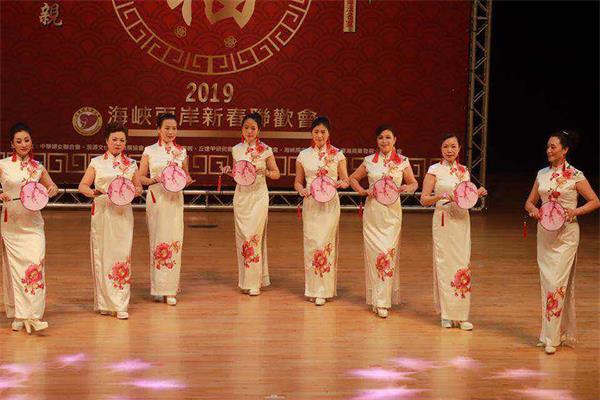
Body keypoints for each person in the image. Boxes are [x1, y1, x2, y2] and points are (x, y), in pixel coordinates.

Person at [524, 130, 599, 354]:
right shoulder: (542, 174)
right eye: (547, 146)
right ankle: (548, 334)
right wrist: (534, 210)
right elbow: (529, 202)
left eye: (553, 147)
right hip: (545, 234)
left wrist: (575, 211)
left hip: (566, 235)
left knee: (557, 283)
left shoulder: (575, 175)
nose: (549, 150)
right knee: (547, 283)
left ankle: (552, 338)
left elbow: (594, 201)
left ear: (565, 150)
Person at [349, 124, 418, 318]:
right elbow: (353, 179)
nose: (384, 141)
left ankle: (382, 300)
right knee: (375, 256)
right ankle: (379, 300)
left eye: (388, 137)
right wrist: (363, 191)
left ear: (395, 139)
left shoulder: (403, 161)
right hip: (373, 214)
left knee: (388, 254)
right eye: (380, 137)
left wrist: (408, 188)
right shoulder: (370, 161)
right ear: (376, 141)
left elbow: (414, 183)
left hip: (392, 215)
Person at [420, 133, 487, 331]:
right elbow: (424, 199)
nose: (449, 150)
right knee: (444, 264)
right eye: (446, 147)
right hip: (443, 220)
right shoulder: (434, 170)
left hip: (461, 220)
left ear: (459, 149)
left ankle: (461, 315)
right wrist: (440, 196)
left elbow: (466, 199)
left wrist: (477, 193)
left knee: (462, 265)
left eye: (453, 146)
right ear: (441, 149)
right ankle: (447, 315)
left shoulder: (464, 171)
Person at [78, 122, 142, 319]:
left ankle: (120, 303)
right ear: (106, 140)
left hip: (122, 213)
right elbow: (83, 186)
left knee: (122, 254)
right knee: (103, 254)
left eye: (122, 140)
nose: (118, 143)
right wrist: (93, 192)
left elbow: (139, 187)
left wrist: (134, 191)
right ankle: (105, 303)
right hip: (103, 212)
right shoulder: (97, 162)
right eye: (114, 139)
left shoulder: (131, 164)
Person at [0, 122, 59, 333]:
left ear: (31, 142)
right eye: (19, 141)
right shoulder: (3, 165)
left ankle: (34, 315)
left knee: (35, 265)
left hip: (33, 224)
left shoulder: (38, 167)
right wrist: (1, 194)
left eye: (26, 140)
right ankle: (20, 315)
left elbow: (52, 186)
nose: (23, 144)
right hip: (12, 224)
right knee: (16, 270)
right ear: (12, 144)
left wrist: (51, 189)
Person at [221, 112, 280, 296]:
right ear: (241, 129)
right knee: (243, 238)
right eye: (246, 127)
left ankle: (254, 283)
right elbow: (238, 174)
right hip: (241, 197)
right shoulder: (236, 149)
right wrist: (228, 171)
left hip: (258, 197)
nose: (249, 131)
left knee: (254, 237)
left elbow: (276, 173)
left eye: (253, 128)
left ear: (259, 130)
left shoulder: (266, 150)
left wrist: (266, 172)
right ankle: (246, 280)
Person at [137, 113, 193, 306]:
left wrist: (186, 180)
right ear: (158, 130)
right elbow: (140, 177)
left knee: (174, 241)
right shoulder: (150, 151)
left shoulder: (181, 151)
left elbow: (186, 175)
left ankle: (170, 290)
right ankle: (157, 288)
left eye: (174, 128)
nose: (170, 132)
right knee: (157, 240)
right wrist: (154, 179)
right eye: (167, 128)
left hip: (174, 199)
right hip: (157, 198)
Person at [294, 116, 349, 306]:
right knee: (312, 244)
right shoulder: (303, 155)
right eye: (316, 132)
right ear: (311, 133)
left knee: (325, 244)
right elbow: (298, 182)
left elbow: (346, 179)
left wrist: (341, 183)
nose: (319, 135)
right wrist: (301, 190)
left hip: (329, 204)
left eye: (323, 132)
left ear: (328, 133)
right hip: (311, 204)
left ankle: (324, 291)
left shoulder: (338, 154)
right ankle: (312, 288)